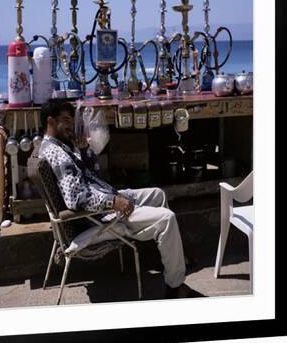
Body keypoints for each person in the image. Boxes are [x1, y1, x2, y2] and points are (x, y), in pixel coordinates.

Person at [38, 98, 190, 298]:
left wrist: (84, 151)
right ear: (51, 122)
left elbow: (92, 176)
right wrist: (113, 202)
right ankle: (174, 286)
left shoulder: (62, 147)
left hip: (105, 201)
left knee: (157, 194)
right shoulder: (56, 153)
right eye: (66, 119)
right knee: (167, 218)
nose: (71, 126)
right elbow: (76, 199)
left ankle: (165, 258)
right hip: (100, 217)